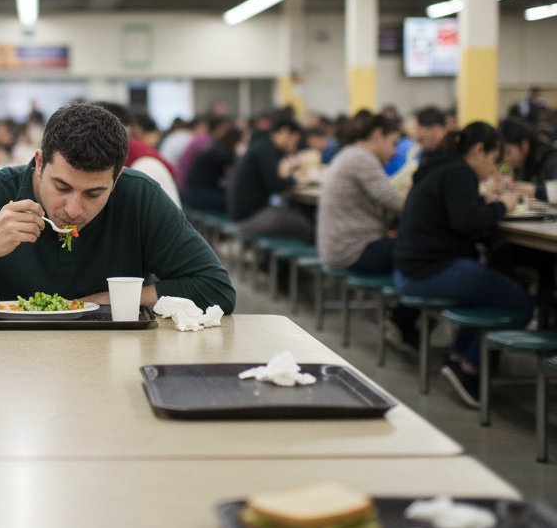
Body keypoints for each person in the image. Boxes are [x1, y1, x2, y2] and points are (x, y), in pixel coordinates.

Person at [0, 102, 235, 317]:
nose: (74, 209)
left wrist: (106, 301)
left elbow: (216, 289)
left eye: (95, 193)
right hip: (3, 361)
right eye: (61, 187)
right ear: (38, 164)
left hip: (112, 358)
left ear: (117, 179)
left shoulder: (139, 198)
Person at [393, 122, 533, 408]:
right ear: (480, 150)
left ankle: (458, 359)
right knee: (519, 302)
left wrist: (483, 202)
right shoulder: (459, 172)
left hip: (412, 267)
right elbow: (467, 221)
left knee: (491, 291)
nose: (494, 170)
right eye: (495, 161)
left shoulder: (439, 167)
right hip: (430, 270)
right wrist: (502, 206)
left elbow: (458, 213)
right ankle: (469, 368)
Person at [316, 113, 417, 352]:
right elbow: (394, 201)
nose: (394, 152)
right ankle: (402, 321)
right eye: (392, 143)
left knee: (417, 251)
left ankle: (404, 321)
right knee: (426, 255)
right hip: (354, 250)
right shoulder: (362, 159)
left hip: (343, 247)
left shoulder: (348, 155)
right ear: (377, 135)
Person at [228, 116, 314, 243]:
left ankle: (282, 262)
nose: (295, 145)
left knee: (293, 216)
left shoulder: (261, 145)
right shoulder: (265, 149)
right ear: (285, 132)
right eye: (294, 140)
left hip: (245, 213)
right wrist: (298, 180)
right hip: (249, 217)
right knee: (303, 224)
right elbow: (277, 184)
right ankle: (307, 261)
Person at [182, 124, 243, 214]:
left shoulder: (216, 148)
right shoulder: (222, 154)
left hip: (192, 193)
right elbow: (238, 163)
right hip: (197, 195)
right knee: (236, 201)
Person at [498, 117, 557, 200]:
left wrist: (535, 190)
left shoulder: (551, 159)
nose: (504, 159)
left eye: (508, 152)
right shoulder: (521, 164)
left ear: (524, 146)